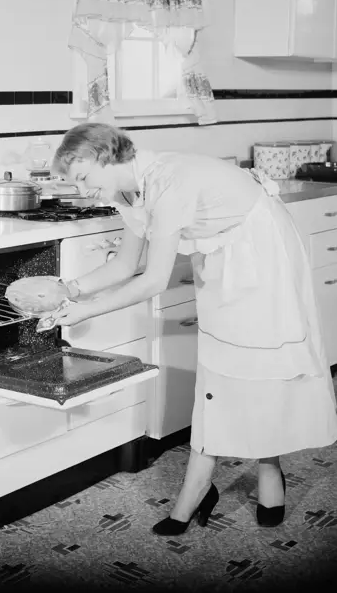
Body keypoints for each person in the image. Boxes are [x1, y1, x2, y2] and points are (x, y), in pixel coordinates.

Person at [50, 122, 337, 536]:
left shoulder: (169, 182)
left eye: (82, 177)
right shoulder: (127, 189)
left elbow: (153, 280)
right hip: (222, 255)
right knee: (222, 368)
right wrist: (68, 291)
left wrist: (85, 310)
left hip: (261, 251)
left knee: (260, 366)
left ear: (106, 157)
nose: (82, 190)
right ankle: (210, 482)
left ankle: (258, 472)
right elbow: (124, 265)